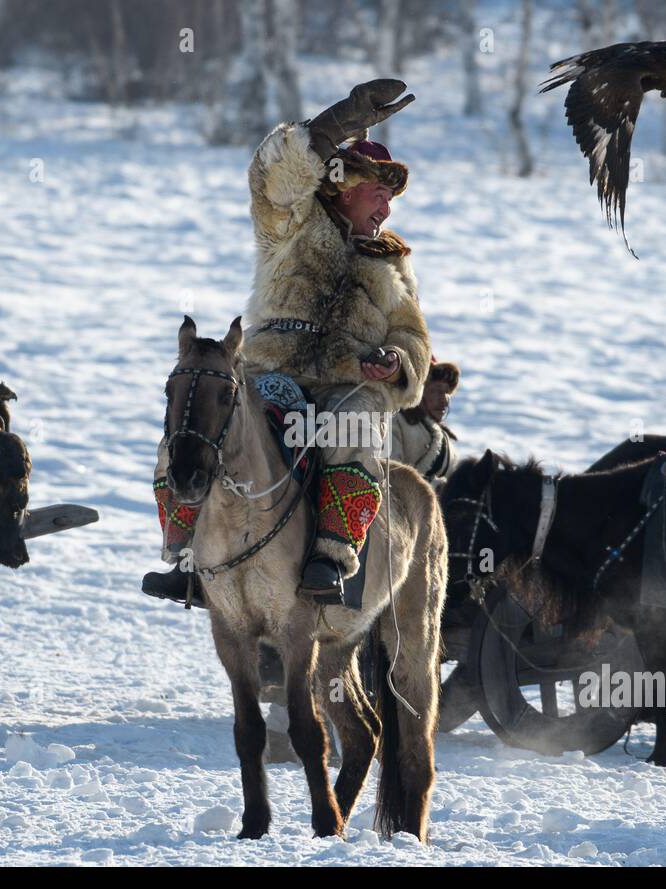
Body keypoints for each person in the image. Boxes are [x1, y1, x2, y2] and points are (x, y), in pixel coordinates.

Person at [144, 78, 431, 606]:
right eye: (379, 194)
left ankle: (331, 556)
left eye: (391, 198)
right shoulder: (291, 225)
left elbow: (411, 334)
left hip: (349, 383)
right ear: (347, 188)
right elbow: (270, 176)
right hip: (269, 373)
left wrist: (396, 363)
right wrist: (336, 123)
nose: (388, 209)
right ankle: (185, 554)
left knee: (356, 422)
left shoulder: (392, 262)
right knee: (196, 422)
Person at [387, 359, 459, 481]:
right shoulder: (395, 422)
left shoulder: (446, 439)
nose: (445, 400)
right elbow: (391, 476)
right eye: (437, 390)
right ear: (418, 390)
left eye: (447, 392)